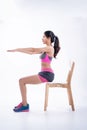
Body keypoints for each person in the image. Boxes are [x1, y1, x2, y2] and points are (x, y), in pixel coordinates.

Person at [7, 30, 60, 112]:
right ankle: (24, 103)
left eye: (44, 37)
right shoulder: (46, 49)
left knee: (21, 81)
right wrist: (18, 50)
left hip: (47, 74)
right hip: (44, 73)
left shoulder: (49, 48)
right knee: (22, 81)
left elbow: (33, 49)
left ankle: (25, 105)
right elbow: (31, 52)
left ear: (49, 38)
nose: (42, 38)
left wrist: (17, 49)